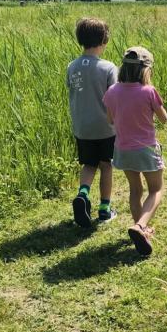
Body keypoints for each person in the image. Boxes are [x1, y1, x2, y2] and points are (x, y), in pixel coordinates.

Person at [103, 47, 167, 256]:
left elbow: (110, 120)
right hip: (146, 150)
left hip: (123, 149)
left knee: (135, 191)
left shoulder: (112, 91)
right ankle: (140, 226)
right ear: (146, 70)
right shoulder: (149, 91)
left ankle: (142, 231)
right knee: (156, 190)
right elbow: (164, 118)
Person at [66, 18, 118, 228]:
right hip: (105, 127)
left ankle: (83, 194)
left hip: (82, 126)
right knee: (106, 166)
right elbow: (115, 99)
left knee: (89, 164)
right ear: (104, 41)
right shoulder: (108, 68)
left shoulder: (72, 66)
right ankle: (105, 209)